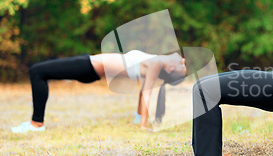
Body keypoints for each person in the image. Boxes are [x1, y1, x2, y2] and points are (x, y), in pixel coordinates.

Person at [11, 50, 186, 133]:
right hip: (90, 64)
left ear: (170, 69)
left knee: (37, 71)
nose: (183, 60)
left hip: (88, 66)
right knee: (39, 72)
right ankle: (36, 123)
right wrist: (138, 119)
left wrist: (141, 127)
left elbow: (147, 94)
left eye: (182, 66)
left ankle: (36, 124)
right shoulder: (153, 61)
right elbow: (143, 92)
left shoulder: (155, 63)